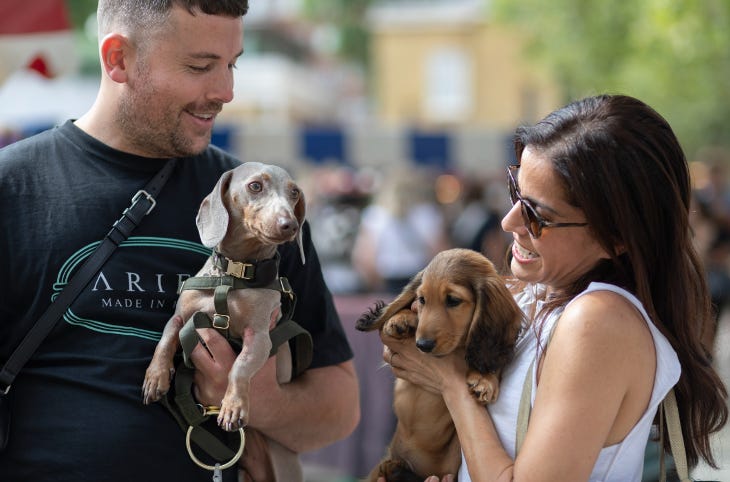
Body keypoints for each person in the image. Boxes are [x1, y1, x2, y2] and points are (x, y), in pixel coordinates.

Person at [0, 1, 359, 481]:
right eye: (201, 66)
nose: (226, 91)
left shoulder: (258, 204)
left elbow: (341, 406)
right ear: (118, 60)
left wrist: (252, 396)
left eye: (232, 64)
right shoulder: (13, 188)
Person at [379, 94, 728, 481]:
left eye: (538, 216)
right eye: (514, 192)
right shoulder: (541, 297)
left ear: (616, 238)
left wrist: (452, 384)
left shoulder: (598, 320)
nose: (509, 222)